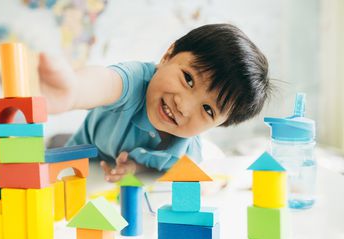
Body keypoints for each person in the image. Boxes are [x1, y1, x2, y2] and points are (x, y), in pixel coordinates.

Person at [38, 24, 271, 182]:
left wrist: (135, 167)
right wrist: (74, 90)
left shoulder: (185, 152)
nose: (184, 106)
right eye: (188, 79)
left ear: (219, 124)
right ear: (168, 55)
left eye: (208, 109)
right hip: (84, 149)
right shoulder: (137, 80)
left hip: (111, 167)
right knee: (53, 151)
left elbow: (160, 166)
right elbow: (106, 82)